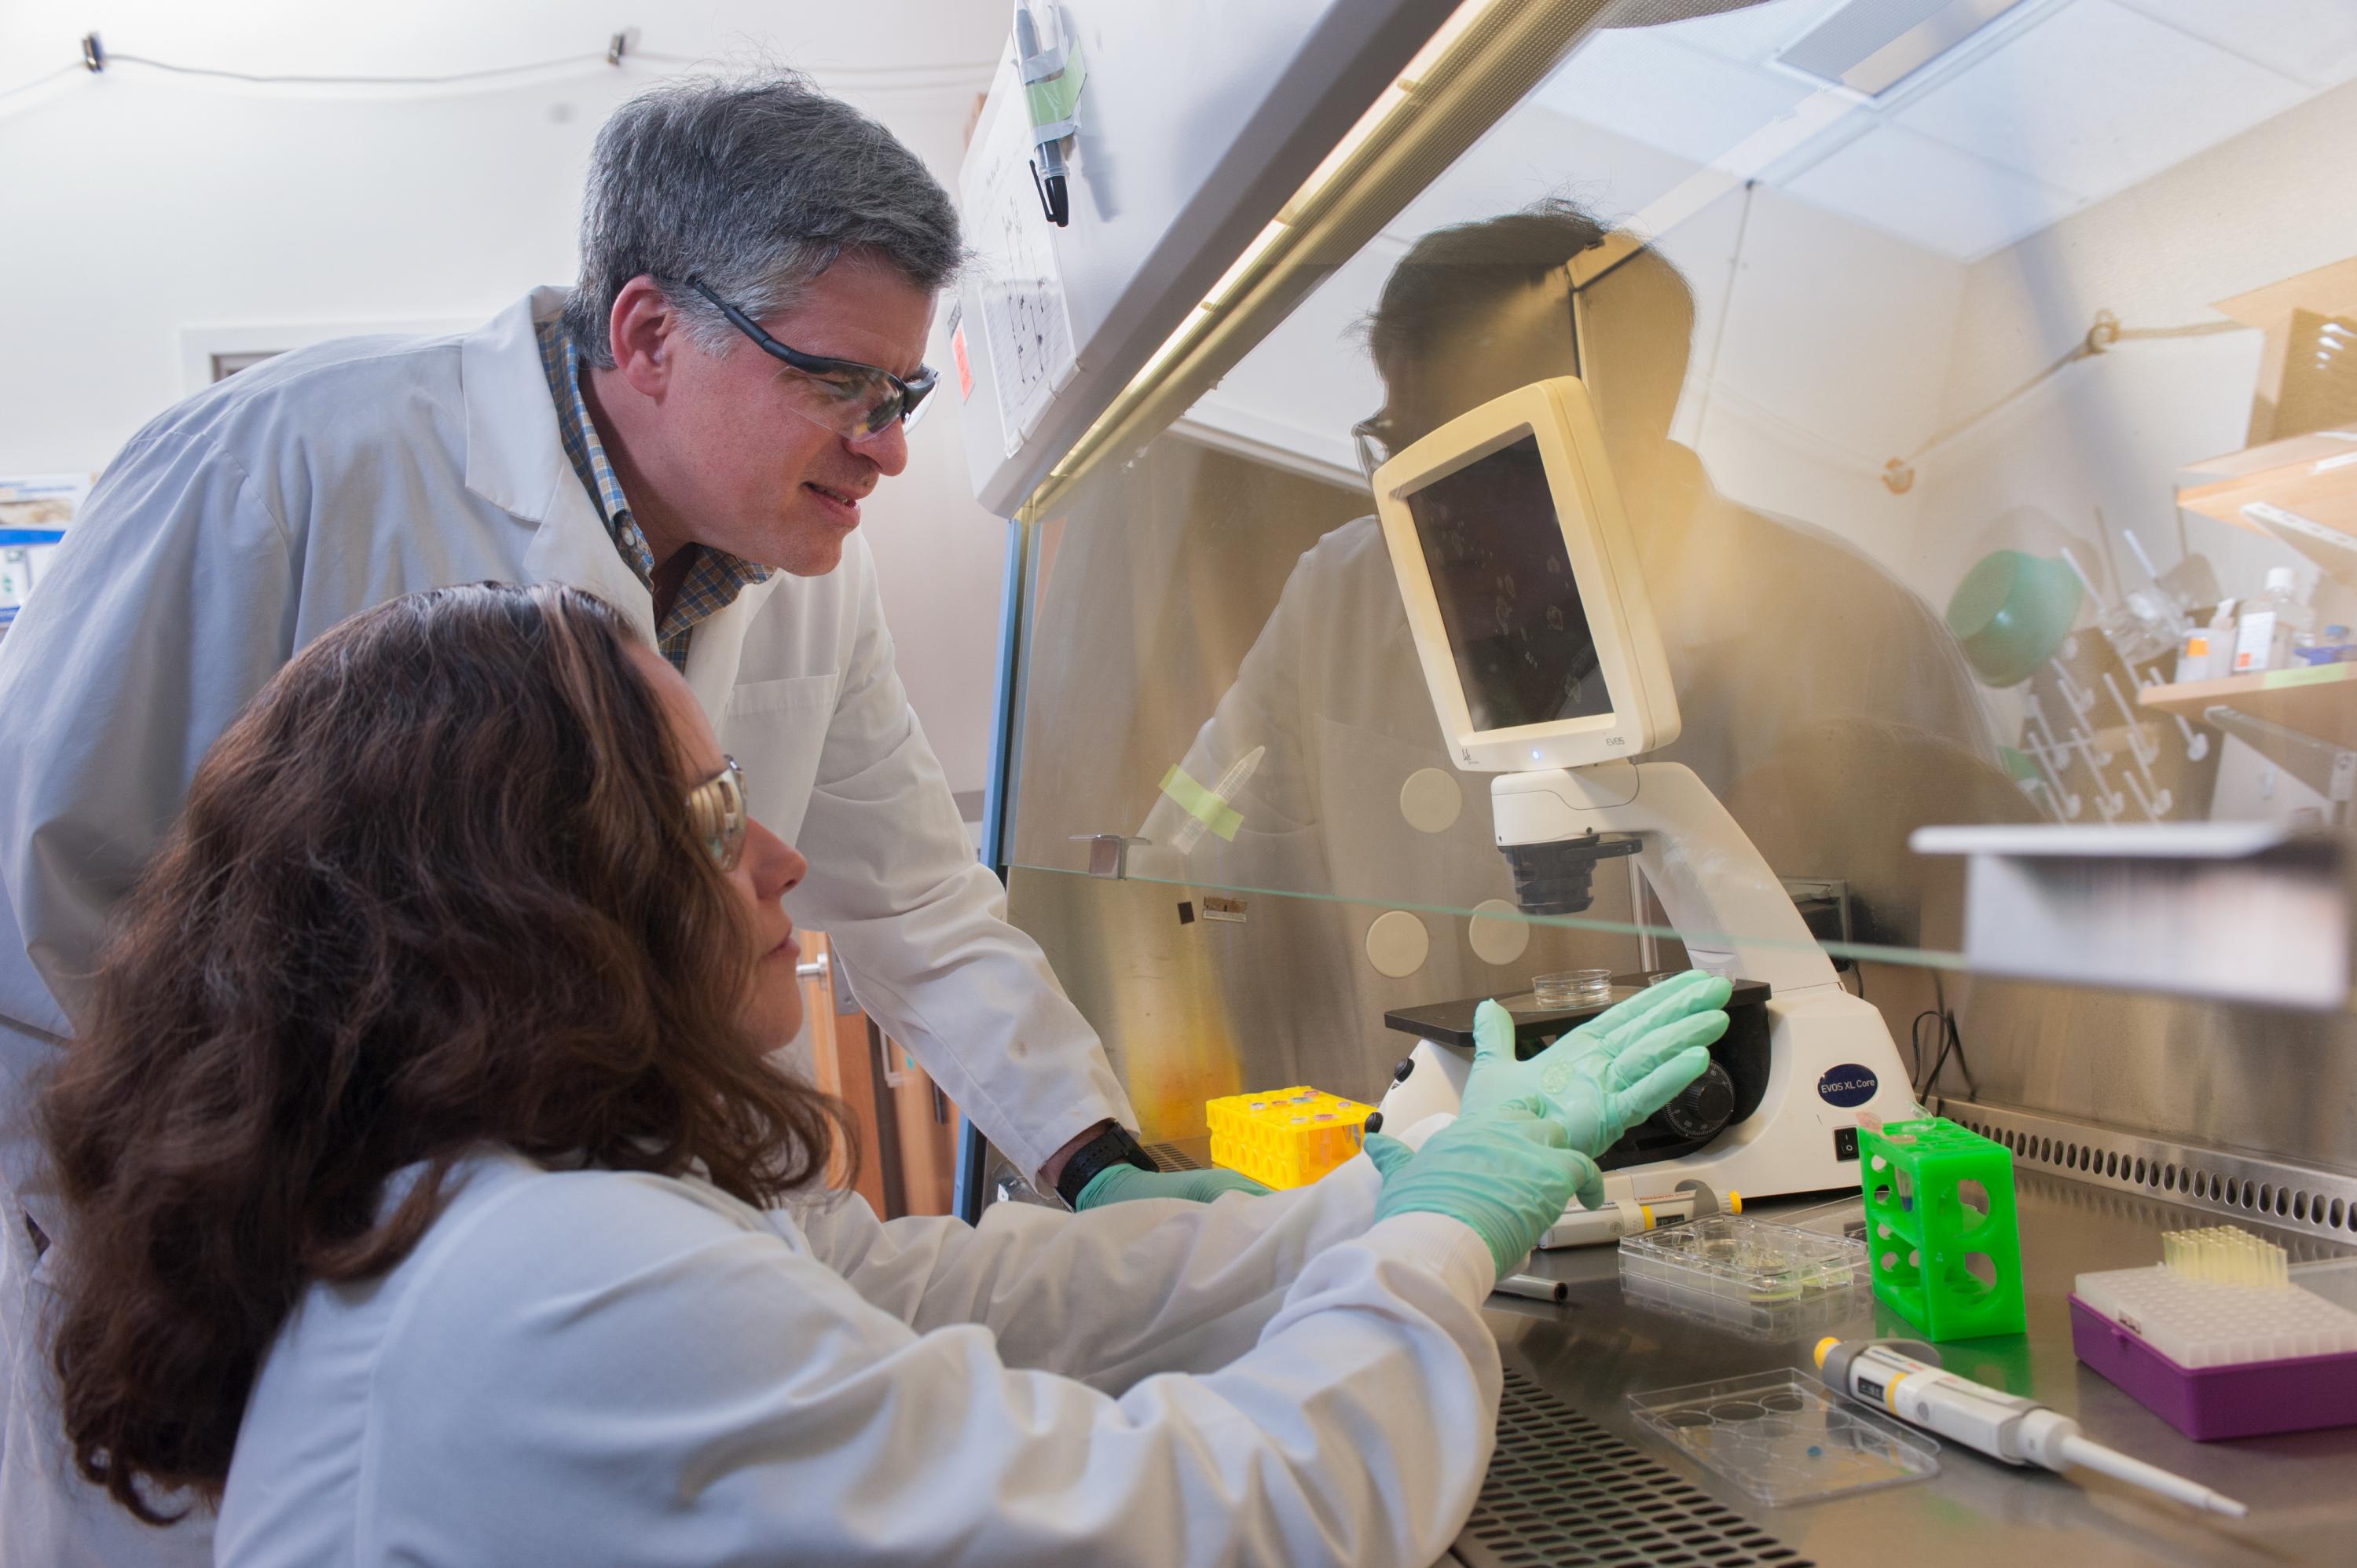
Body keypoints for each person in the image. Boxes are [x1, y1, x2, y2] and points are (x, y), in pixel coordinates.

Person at [0, 76, 1238, 1565]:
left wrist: (1096, 1154)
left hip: (576, 1275)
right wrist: (192, 1275)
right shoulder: (282, 468)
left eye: (903, 395)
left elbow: (912, 898)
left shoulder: (805, 571)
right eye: (839, 382)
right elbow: (37, 904)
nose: (888, 446)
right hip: (225, 1316)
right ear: (651, 332)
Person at [38, 582, 1728, 1565]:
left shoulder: (488, 1200)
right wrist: (1443, 1234)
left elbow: (926, 1290)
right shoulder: (553, 1281)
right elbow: (1218, 1518)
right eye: (707, 819)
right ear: (529, 904)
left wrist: (1370, 1199)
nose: (777, 858)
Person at [1134, 200, 2003, 1075]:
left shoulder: (1853, 629)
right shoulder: (1343, 594)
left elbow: (1968, 1004)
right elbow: (1191, 840)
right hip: (1422, 1160)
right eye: (1399, 446)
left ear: (1626, 430)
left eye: (1480, 461)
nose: (1429, 507)